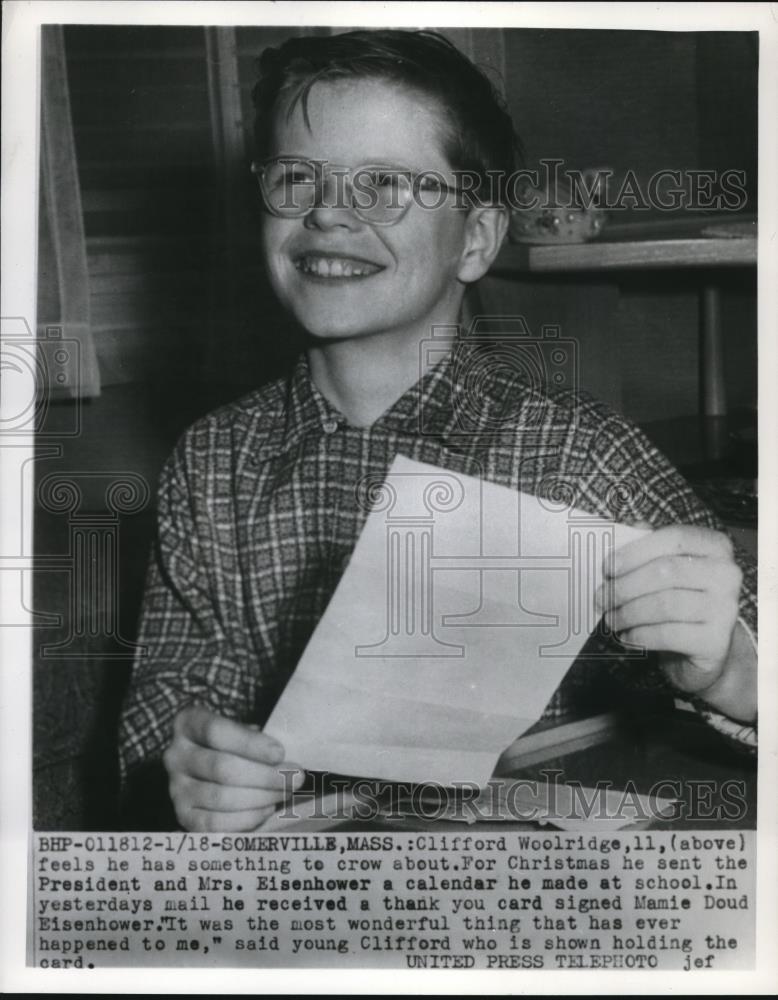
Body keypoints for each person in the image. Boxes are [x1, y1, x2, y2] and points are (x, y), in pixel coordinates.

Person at [118, 29, 757, 832]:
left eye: (384, 183)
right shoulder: (211, 462)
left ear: (478, 240)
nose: (324, 211)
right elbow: (161, 717)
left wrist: (733, 669)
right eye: (295, 177)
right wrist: (191, 773)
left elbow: (748, 651)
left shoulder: (577, 452)